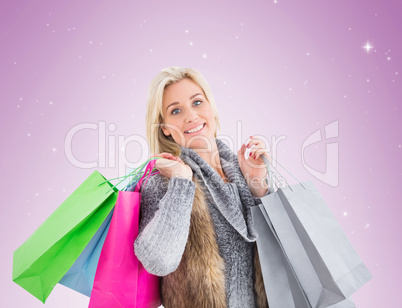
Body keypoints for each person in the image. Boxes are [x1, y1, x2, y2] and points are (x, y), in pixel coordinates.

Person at [134, 67, 271, 308]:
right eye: (176, 110)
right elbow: (158, 262)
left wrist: (259, 187)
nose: (191, 116)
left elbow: (286, 253)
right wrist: (181, 184)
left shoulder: (243, 170)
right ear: (164, 127)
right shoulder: (164, 181)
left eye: (197, 102)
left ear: (212, 108)